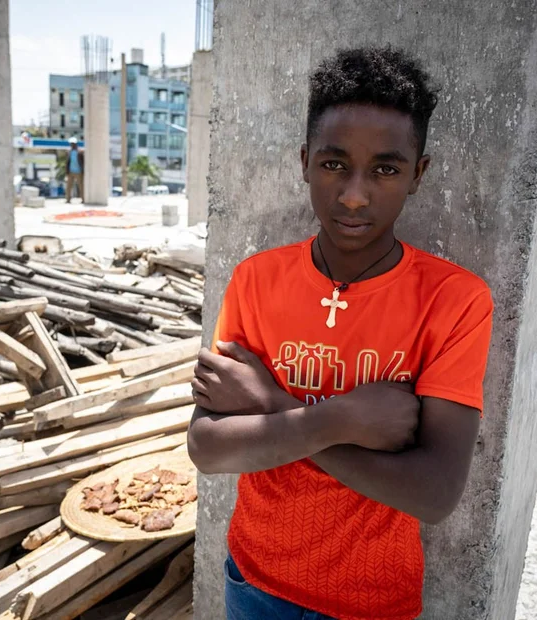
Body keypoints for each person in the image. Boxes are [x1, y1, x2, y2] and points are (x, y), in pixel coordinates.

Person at [187, 46, 494, 620]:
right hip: (253, 581)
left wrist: (273, 405)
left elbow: (433, 493)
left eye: (385, 169)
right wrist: (342, 419)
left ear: (418, 174)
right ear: (304, 162)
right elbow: (206, 448)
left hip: (372, 602)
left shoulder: (453, 300)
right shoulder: (257, 280)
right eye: (334, 165)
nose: (354, 195)